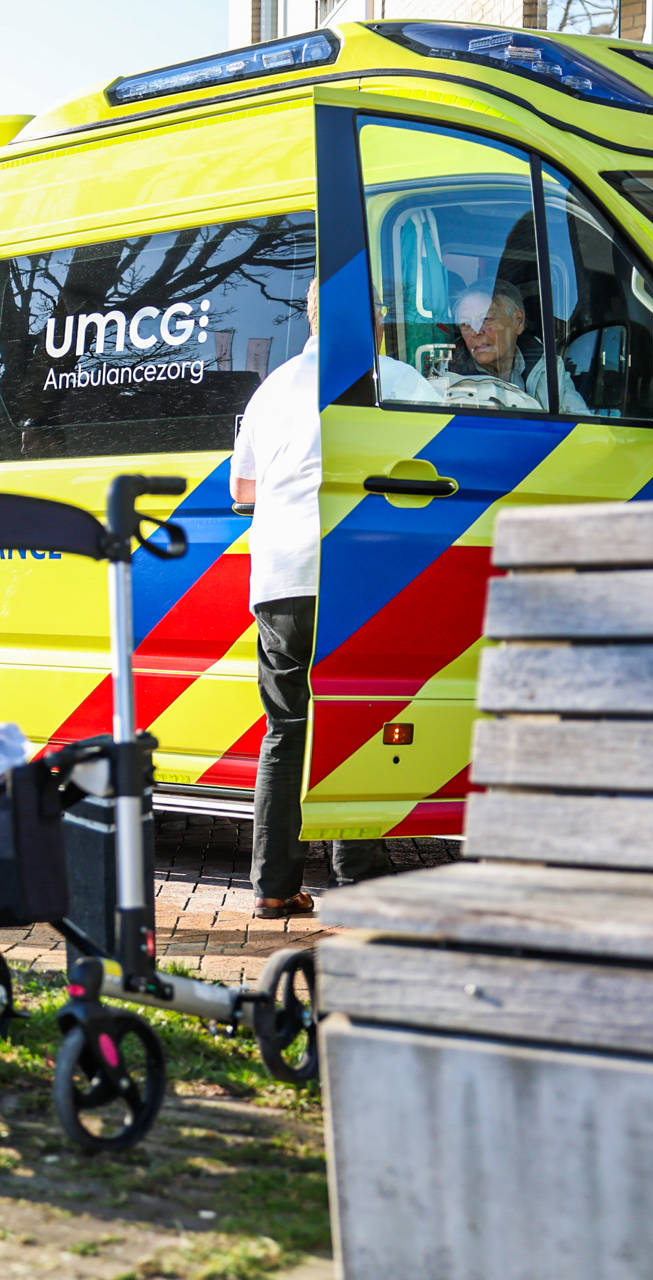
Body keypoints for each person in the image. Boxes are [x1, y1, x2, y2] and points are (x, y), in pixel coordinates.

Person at [229, 285, 438, 918]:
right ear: (375, 321)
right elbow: (449, 467)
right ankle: (360, 869)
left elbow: (243, 487)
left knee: (287, 726)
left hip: (280, 578)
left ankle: (273, 884)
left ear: (313, 319)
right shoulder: (396, 380)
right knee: (362, 715)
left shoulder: (274, 387)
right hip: (358, 573)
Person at [450, 280, 589, 414]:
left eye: (486, 319)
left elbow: (581, 425)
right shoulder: (447, 378)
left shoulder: (547, 368)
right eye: (465, 323)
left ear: (518, 321)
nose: (475, 331)